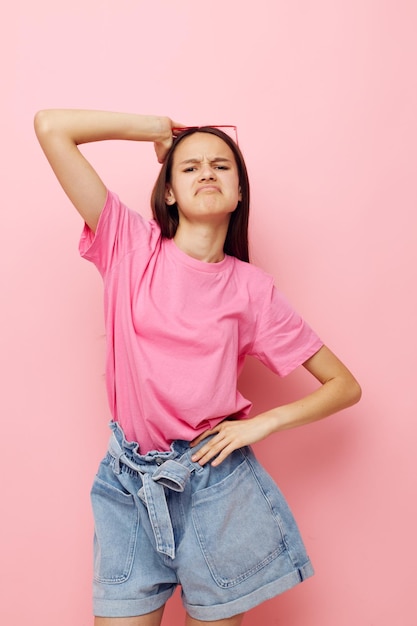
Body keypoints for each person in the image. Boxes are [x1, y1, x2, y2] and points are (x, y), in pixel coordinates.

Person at [34, 110, 361, 626]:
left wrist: (262, 423)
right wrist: (158, 132)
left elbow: (344, 386)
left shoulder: (253, 290)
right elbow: (51, 127)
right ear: (168, 192)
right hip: (129, 485)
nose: (207, 172)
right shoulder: (129, 246)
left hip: (217, 489)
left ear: (238, 193)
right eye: (189, 168)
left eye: (221, 166)